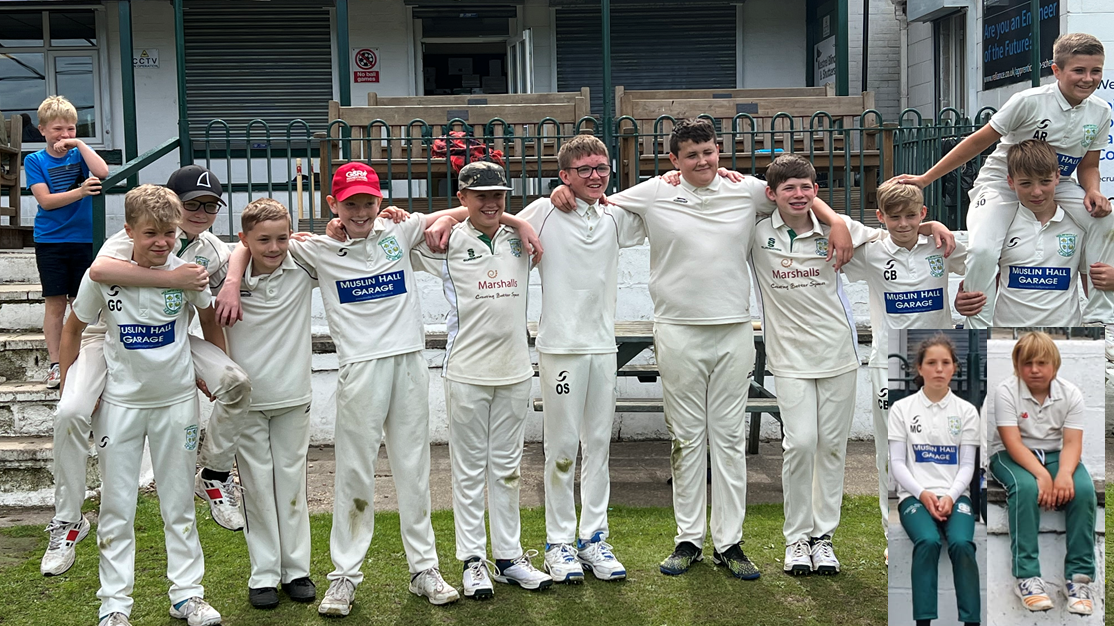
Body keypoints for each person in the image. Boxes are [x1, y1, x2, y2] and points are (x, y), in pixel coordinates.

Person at [219, 163, 458, 615]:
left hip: (409, 361)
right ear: (334, 205)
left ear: (380, 200)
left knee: (414, 469)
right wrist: (233, 281)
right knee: (354, 473)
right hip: (360, 370)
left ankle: (424, 569)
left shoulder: (397, 230)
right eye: (351, 204)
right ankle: (344, 577)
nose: (361, 211)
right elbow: (244, 247)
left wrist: (443, 218)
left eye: (368, 201)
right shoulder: (317, 250)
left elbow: (463, 211)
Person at [750, 154, 953, 576]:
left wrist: (931, 226)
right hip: (788, 358)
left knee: (830, 448)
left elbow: (896, 233)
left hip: (840, 354)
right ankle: (795, 539)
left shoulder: (842, 230)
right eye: (789, 188)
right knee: (801, 443)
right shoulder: (755, 232)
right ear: (772, 194)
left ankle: (822, 539)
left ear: (817, 191)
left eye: (807, 187)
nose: (799, 194)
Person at [60, 185, 223, 626]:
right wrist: (69, 382)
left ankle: (187, 596)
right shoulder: (105, 273)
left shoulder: (189, 273)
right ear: (129, 230)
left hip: (176, 404)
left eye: (169, 232)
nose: (161, 242)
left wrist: (218, 372)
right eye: (150, 233)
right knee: (117, 508)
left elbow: (208, 321)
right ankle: (114, 605)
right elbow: (74, 327)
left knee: (178, 507)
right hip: (122, 405)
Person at [891, 32, 1113, 327]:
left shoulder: (1100, 111)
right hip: (1001, 184)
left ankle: (1101, 320)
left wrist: (1094, 190)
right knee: (983, 250)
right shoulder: (1029, 101)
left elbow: (1089, 165)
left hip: (1055, 184)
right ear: (1057, 71)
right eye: (1078, 71)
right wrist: (925, 178)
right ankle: (977, 328)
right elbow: (976, 142)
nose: (1088, 78)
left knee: (1104, 218)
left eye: (1095, 71)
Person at [411, 161, 553, 599]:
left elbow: (544, 209)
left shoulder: (519, 234)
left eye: (499, 196)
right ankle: (473, 560)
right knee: (469, 469)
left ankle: (509, 558)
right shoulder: (445, 238)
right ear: (462, 198)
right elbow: (400, 231)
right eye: (480, 196)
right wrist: (447, 218)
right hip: (466, 370)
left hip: (514, 368)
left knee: (508, 468)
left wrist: (515, 221)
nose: (491, 203)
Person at [86, 165, 251, 531]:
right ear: (174, 203)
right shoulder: (132, 236)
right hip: (113, 335)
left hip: (175, 337)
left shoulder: (214, 250)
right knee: (73, 410)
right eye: (193, 204)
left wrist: (232, 282)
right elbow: (99, 271)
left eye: (211, 206)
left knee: (236, 384)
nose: (201, 214)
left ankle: (215, 473)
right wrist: (173, 277)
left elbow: (246, 250)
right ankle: (68, 515)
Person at [841, 178, 967, 560]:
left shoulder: (941, 245)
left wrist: (968, 292)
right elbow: (836, 230)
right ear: (880, 217)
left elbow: (988, 256)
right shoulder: (871, 252)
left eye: (911, 216)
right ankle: (894, 535)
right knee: (893, 452)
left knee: (945, 446)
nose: (903, 223)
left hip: (940, 361)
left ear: (923, 214)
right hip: (890, 362)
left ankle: (944, 524)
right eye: (893, 217)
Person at [222, 198, 317, 609]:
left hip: (294, 395)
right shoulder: (228, 270)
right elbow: (235, 254)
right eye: (263, 240)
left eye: (282, 238)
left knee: (291, 483)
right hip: (248, 401)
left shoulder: (303, 266)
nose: (274, 248)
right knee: (258, 488)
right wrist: (230, 280)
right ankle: (263, 573)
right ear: (243, 239)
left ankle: (296, 570)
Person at [988, 331, 1096, 615]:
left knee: (1083, 490)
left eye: (1041, 363)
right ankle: (1027, 578)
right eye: (1027, 363)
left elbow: (1072, 443)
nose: (1034, 370)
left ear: (1054, 365)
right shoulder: (1006, 391)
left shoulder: (1070, 393)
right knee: (1025, 488)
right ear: (1017, 365)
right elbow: (1012, 442)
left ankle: (1078, 580)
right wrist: (1043, 476)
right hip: (1011, 455)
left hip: (1055, 455)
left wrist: (1063, 474)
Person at [888, 334, 981, 626]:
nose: (939, 369)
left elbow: (967, 465)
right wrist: (923, 493)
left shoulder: (966, 412)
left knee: (962, 544)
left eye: (945, 363)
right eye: (932, 363)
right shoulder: (902, 410)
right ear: (919, 368)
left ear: (955, 368)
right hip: (913, 498)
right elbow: (897, 464)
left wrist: (951, 496)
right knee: (927, 541)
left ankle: (971, 621)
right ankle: (924, 622)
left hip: (956, 497)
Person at [24, 95, 109, 388]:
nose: (65, 135)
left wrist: (81, 145)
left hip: (85, 238)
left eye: (71, 129)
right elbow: (46, 201)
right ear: (42, 130)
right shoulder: (34, 160)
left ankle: (83, 359)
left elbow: (102, 172)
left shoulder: (79, 153)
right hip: (51, 239)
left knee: (83, 302)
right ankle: (57, 363)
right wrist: (81, 193)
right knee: (55, 305)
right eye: (58, 129)